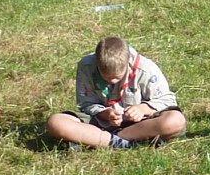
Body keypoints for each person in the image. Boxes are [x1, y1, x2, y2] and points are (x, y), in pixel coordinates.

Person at [45, 36, 186, 149]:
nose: (112, 81)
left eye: (117, 77)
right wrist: (105, 113)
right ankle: (121, 142)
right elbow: (85, 103)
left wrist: (142, 109)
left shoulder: (146, 68)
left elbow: (167, 100)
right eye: (106, 76)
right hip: (100, 122)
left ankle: (100, 140)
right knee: (55, 122)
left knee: (175, 120)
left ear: (127, 63)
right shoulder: (86, 66)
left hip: (141, 124)